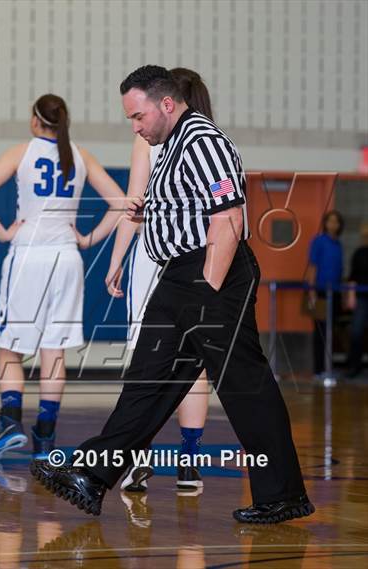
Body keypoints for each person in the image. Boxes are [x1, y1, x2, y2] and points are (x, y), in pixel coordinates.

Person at [32, 66, 314, 524]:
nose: (135, 127)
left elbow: (229, 220)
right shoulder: (169, 147)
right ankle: (92, 475)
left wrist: (207, 286)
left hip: (212, 274)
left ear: (167, 104)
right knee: (147, 382)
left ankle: (283, 494)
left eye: (138, 116)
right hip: (179, 275)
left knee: (244, 386)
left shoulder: (204, 142)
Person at [0, 94, 125, 461]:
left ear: (36, 120)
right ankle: (45, 437)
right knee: (53, 351)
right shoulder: (81, 155)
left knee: (11, 347)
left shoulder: (21, 152)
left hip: (28, 257)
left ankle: (9, 423)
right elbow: (120, 202)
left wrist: (3, 233)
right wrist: (87, 239)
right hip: (66, 260)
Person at [106, 68, 213, 492]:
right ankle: (190, 462)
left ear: (167, 101)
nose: (138, 122)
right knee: (194, 361)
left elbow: (132, 206)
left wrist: (116, 261)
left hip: (157, 259)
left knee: (145, 363)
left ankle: (138, 459)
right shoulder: (210, 137)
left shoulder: (150, 142)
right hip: (201, 260)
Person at [307, 210, 344, 378]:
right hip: (321, 292)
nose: (333, 225)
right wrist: (312, 290)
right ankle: (319, 370)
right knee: (320, 331)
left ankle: (328, 368)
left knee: (331, 331)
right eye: (330, 221)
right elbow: (313, 266)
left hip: (335, 292)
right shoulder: (319, 241)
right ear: (326, 223)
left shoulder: (338, 244)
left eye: (336, 222)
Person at [345, 222, 368, 378]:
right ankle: (355, 365)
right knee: (357, 331)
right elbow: (353, 277)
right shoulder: (359, 253)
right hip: (361, 298)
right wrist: (351, 296)